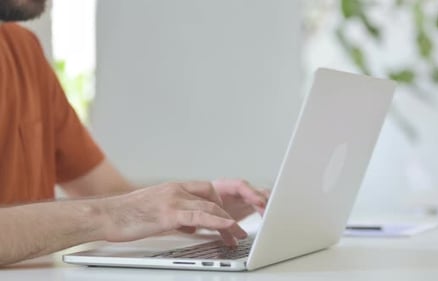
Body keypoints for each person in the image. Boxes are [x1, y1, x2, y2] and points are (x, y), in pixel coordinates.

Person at [0, 0, 269, 266]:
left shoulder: (23, 49)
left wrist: (193, 206)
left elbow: (114, 194)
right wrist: (109, 215)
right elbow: (117, 210)